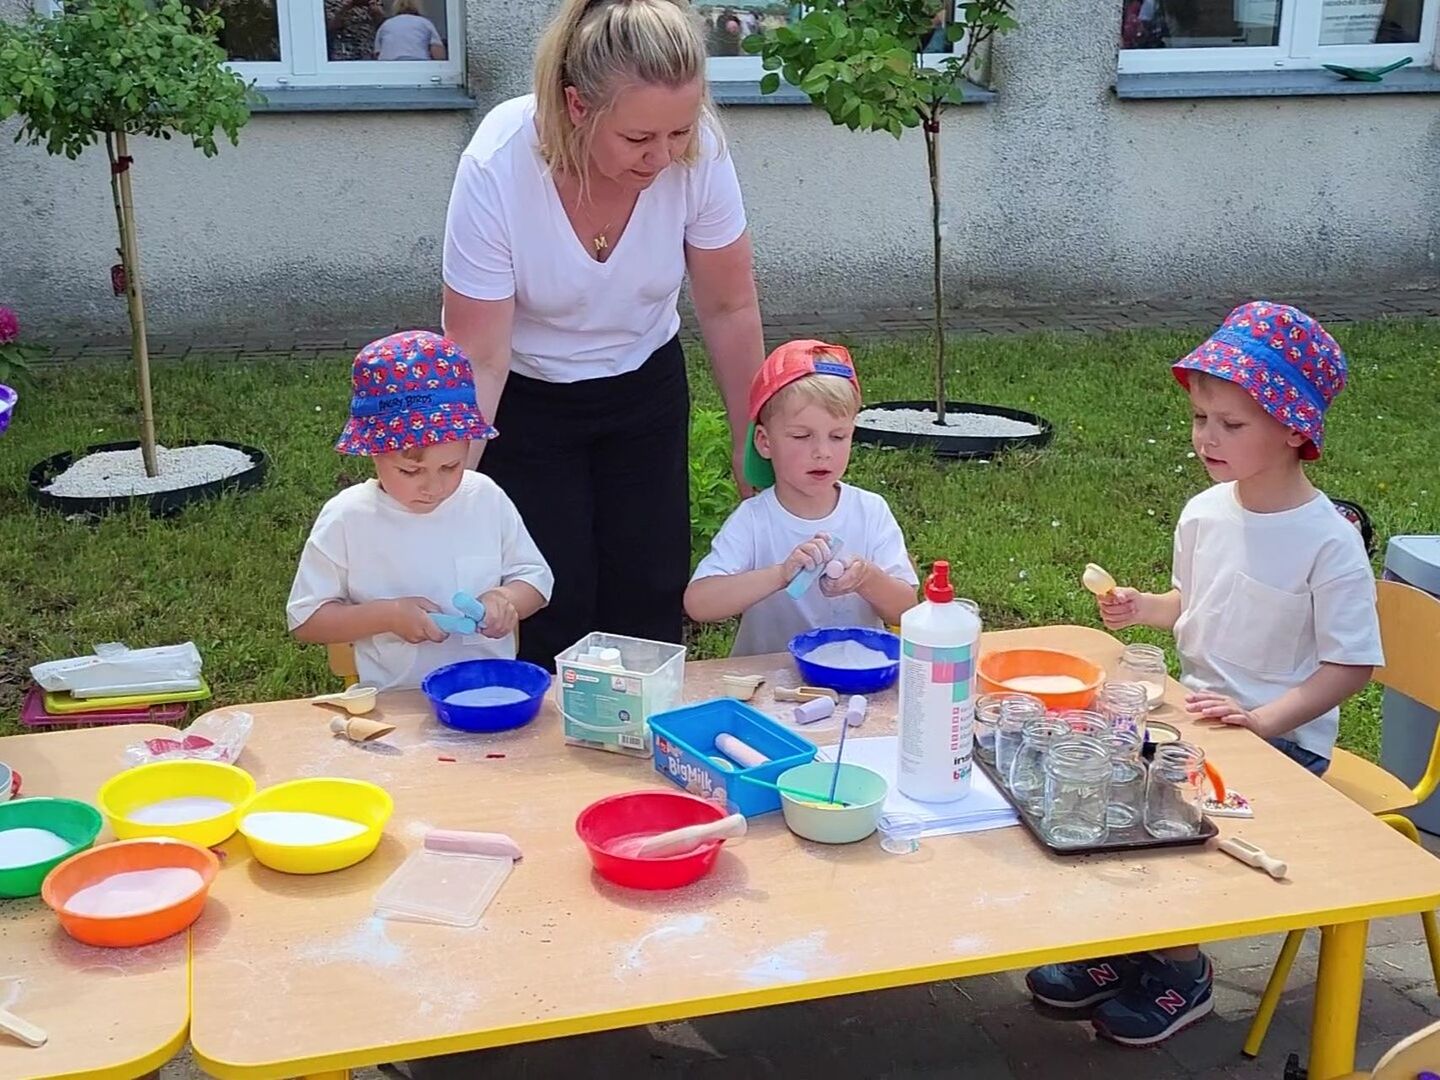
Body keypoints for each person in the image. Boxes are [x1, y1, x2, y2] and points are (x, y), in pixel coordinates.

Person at [1025, 301, 1384, 1046]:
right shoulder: (1204, 512)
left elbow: (1350, 665)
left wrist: (1263, 721)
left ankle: (1182, 969)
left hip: (1282, 741)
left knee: (1168, 808)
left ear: (1294, 429)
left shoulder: (1328, 542)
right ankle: (1131, 944)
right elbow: (1194, 602)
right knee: (1100, 772)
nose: (1206, 438)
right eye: (1199, 418)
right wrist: (1144, 608)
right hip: (1196, 718)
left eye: (1231, 423)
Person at [441, 0, 764, 670]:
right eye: (639, 138)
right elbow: (480, 355)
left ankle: (644, 731)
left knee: (649, 595)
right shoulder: (497, 165)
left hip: (645, 387)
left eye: (679, 132)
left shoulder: (699, 150)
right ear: (577, 106)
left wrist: (750, 441)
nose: (664, 156)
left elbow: (728, 304)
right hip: (527, 400)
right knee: (550, 600)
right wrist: (449, 491)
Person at [287, 331, 554, 691]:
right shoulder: (348, 517)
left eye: (451, 467)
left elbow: (536, 579)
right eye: (411, 472)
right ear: (373, 452)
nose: (434, 487)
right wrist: (387, 616)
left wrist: (506, 600)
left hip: (489, 693)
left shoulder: (484, 498)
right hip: (396, 701)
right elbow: (306, 620)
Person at [684, 340, 918, 655]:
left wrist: (867, 578)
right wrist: (780, 574)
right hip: (766, 677)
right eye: (801, 436)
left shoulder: (870, 511)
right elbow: (699, 603)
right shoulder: (754, 519)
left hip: (855, 674)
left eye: (838, 436)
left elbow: (906, 611)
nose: (822, 452)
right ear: (765, 442)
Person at [375, 0, 446, 60]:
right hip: (418, 65)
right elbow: (438, 53)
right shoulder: (425, 23)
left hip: (389, 67)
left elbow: (377, 53)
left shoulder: (386, 25)